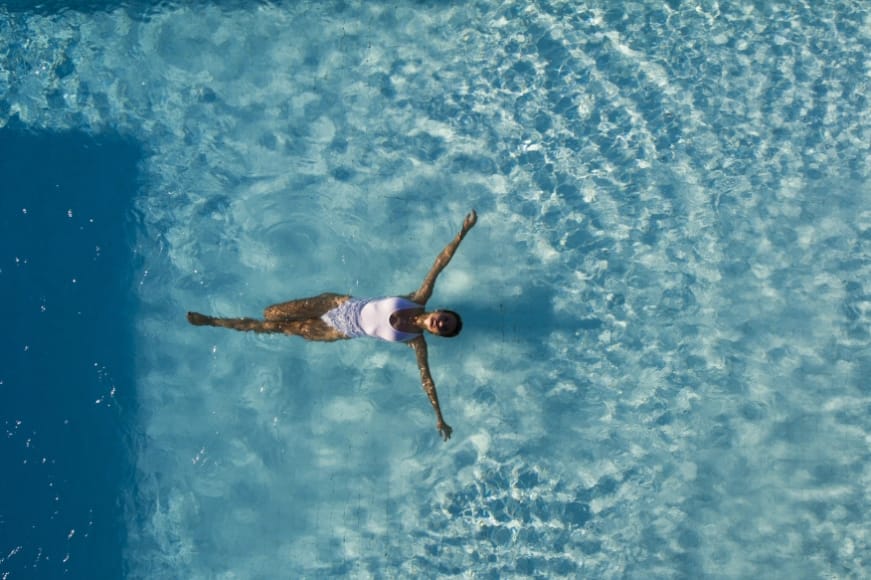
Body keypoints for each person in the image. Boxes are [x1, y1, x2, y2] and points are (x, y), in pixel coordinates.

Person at [187, 209, 478, 441]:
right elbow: (440, 263)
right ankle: (222, 320)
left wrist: (439, 416)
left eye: (444, 328)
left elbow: (426, 379)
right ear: (440, 310)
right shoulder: (418, 298)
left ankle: (213, 321)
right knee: (272, 312)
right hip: (335, 304)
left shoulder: (415, 342)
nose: (441, 322)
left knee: (268, 327)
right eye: (446, 318)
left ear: (437, 333)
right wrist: (462, 232)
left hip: (334, 331)